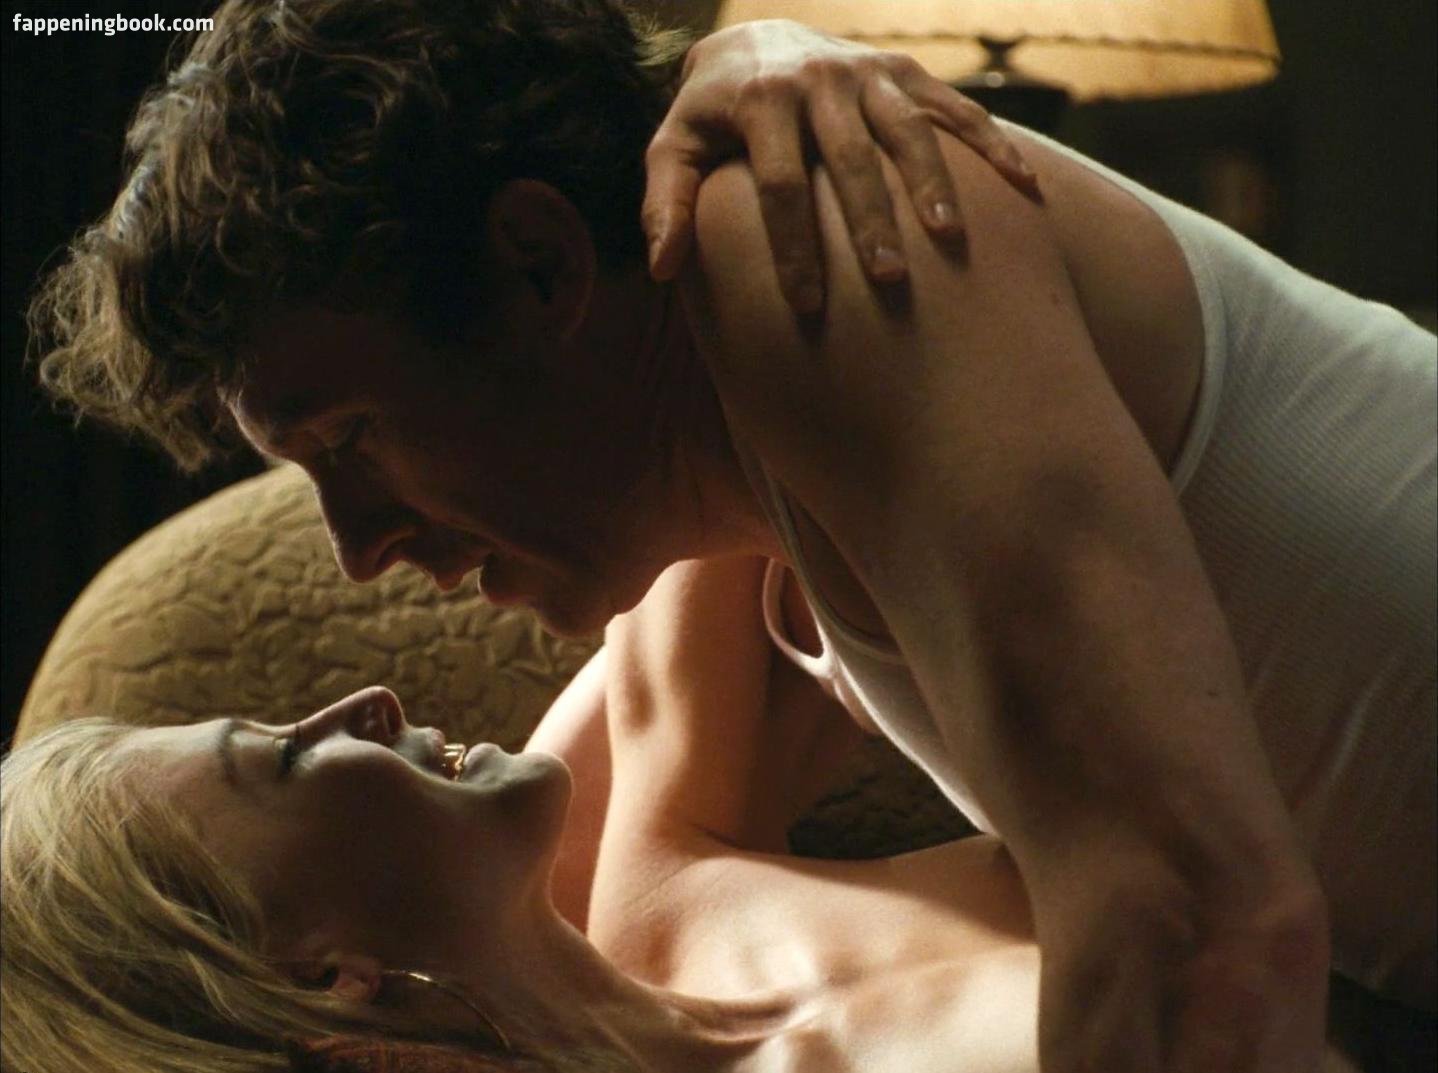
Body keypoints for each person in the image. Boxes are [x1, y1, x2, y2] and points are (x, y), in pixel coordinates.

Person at [27, 1, 1436, 1070]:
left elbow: (1205, 936)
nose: (356, 547)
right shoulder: (733, 505)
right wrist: (751, 44)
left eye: (351, 439)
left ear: (540, 266)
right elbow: (463, 905)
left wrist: (759, 50)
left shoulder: (802, 246)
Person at [0, 555, 1373, 1073]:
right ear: (324, 979)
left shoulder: (663, 891)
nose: (359, 702)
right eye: (286, 759)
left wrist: (755, 67)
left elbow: (714, 449)